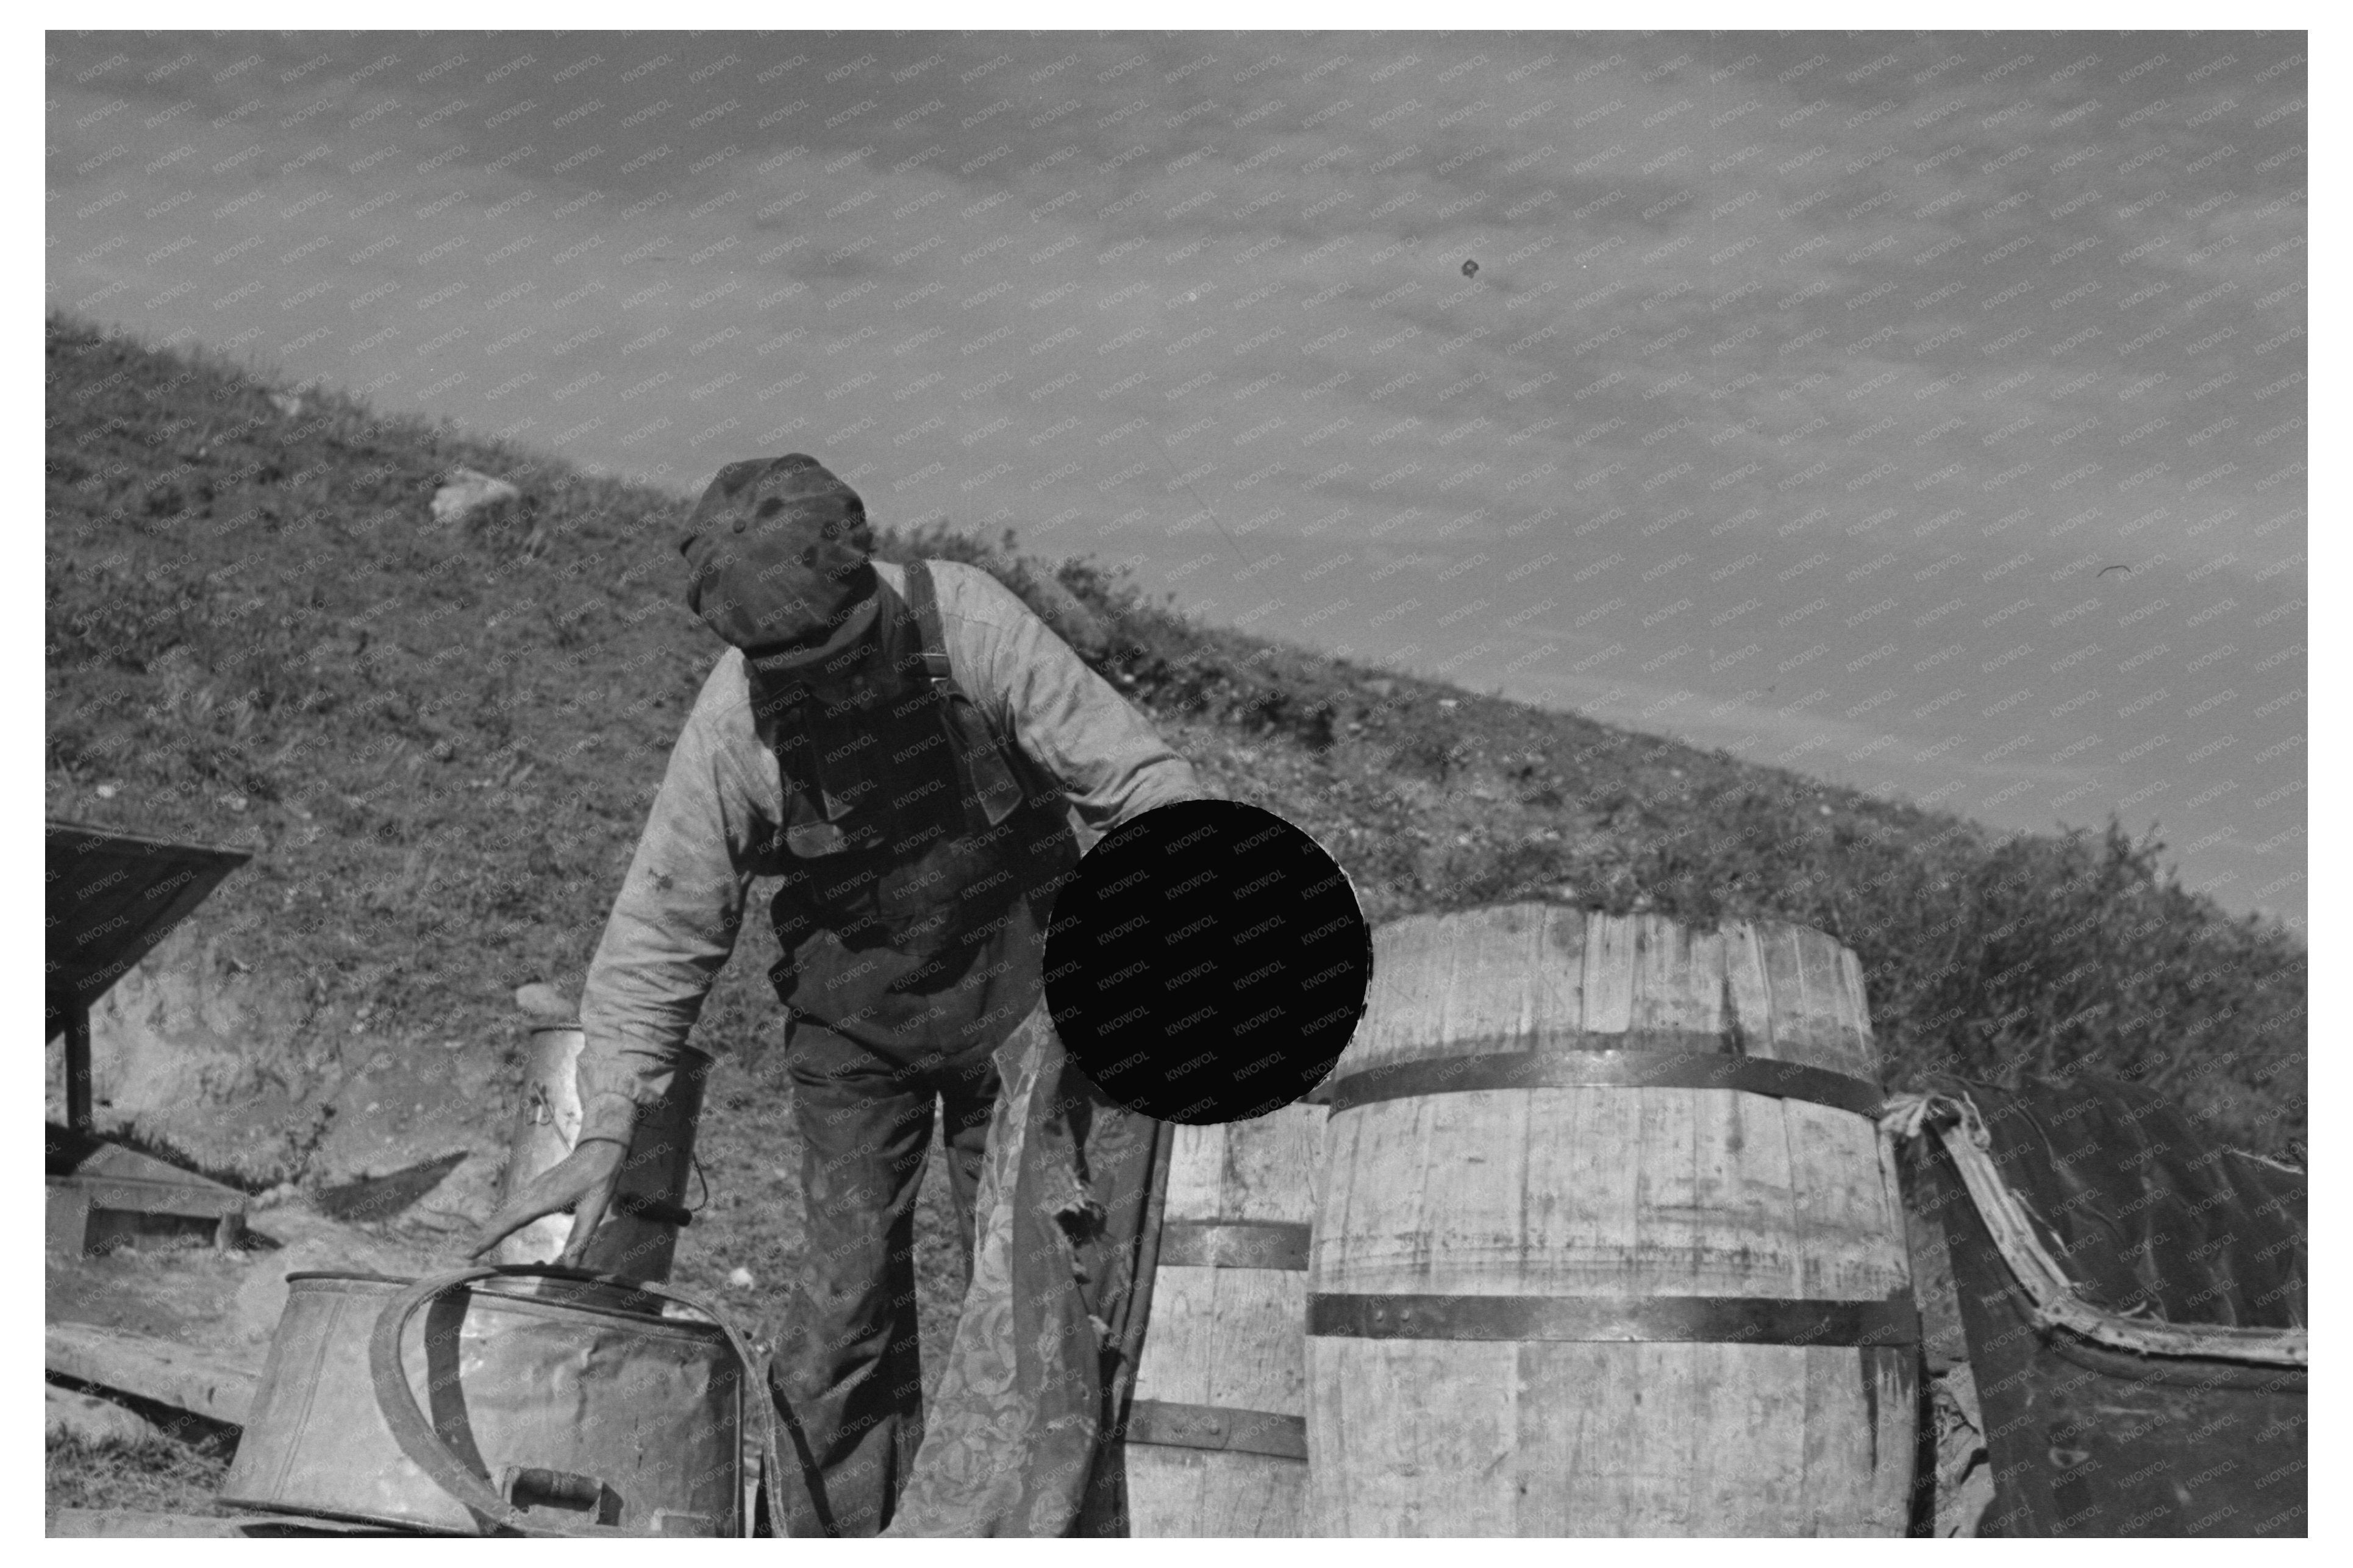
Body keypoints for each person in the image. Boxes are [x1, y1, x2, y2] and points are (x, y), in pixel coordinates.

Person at [468, 452, 1208, 1536]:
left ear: (867, 588)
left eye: (832, 656)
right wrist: (607, 1120)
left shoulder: (973, 626)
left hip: (1026, 1013)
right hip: (854, 1035)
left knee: (1040, 1292)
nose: (812, 686)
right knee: (843, 1306)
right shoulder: (739, 722)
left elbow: (1142, 785)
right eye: (782, 668)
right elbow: (666, 924)